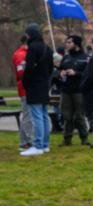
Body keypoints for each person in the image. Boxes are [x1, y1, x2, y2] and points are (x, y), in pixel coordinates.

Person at [19, 24, 53, 157]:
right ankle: (45, 144)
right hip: (45, 84)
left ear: (30, 34)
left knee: (36, 116)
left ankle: (38, 145)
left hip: (34, 85)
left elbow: (29, 68)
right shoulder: (47, 48)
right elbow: (50, 68)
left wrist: (25, 82)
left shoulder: (32, 48)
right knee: (44, 115)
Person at [59, 35, 90, 146]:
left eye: (69, 42)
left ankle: (84, 138)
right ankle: (67, 139)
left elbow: (88, 74)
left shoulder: (85, 57)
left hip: (79, 91)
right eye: (66, 42)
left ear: (76, 44)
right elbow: (60, 70)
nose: (66, 44)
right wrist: (61, 73)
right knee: (67, 116)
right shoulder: (66, 57)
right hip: (66, 90)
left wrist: (76, 73)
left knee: (79, 116)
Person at [13, 35, 33, 150]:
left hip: (27, 87)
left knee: (27, 115)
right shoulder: (20, 54)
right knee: (27, 116)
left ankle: (24, 142)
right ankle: (28, 141)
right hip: (25, 88)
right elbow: (21, 73)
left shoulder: (23, 53)